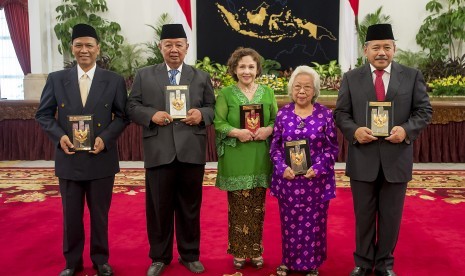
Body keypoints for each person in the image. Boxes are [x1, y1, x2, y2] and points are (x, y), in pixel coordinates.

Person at [333, 24, 432, 276]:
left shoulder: (411, 76)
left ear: (394, 49)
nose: (381, 52)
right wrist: (354, 131)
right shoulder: (351, 78)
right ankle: (364, 263)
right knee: (363, 216)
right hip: (363, 158)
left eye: (387, 47)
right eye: (376, 47)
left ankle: (385, 264)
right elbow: (341, 113)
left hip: (396, 158)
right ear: (365, 50)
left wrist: (405, 130)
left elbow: (423, 111)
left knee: (390, 217)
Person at [35, 23, 128, 276]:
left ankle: (101, 260)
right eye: (79, 46)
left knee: (100, 215)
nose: (84, 50)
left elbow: (122, 116)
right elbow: (43, 114)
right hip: (69, 158)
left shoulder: (114, 80)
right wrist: (60, 136)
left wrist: (106, 138)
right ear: (71, 49)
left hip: (101, 158)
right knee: (71, 216)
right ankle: (72, 263)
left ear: (98, 49)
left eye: (89, 45)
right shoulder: (56, 79)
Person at [125, 24, 215, 276]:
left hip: (191, 150)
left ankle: (189, 255)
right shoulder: (145, 75)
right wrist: (151, 114)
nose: (174, 50)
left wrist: (201, 115)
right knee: (158, 207)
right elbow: (131, 106)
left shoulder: (200, 76)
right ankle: (159, 257)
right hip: (159, 150)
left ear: (187, 47)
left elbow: (212, 107)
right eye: (168, 45)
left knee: (190, 206)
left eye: (179, 45)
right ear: (160, 47)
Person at [269, 66, 339, 276]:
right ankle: (288, 262)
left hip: (316, 181)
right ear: (291, 89)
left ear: (315, 90)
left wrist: (318, 168)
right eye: (297, 86)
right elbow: (274, 147)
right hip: (289, 180)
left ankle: (312, 264)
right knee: (289, 223)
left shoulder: (325, 115)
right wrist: (282, 168)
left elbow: (332, 148)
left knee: (314, 224)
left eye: (307, 87)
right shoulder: (283, 114)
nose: (302, 91)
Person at [214, 47, 278, 270]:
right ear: (234, 69)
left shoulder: (268, 93)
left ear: (258, 69)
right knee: (239, 207)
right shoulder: (226, 94)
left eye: (251, 66)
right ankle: (239, 252)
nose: (247, 71)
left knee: (258, 206)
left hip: (260, 155)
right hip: (236, 156)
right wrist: (236, 132)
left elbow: (275, 121)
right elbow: (219, 123)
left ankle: (256, 250)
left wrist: (268, 131)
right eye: (242, 66)